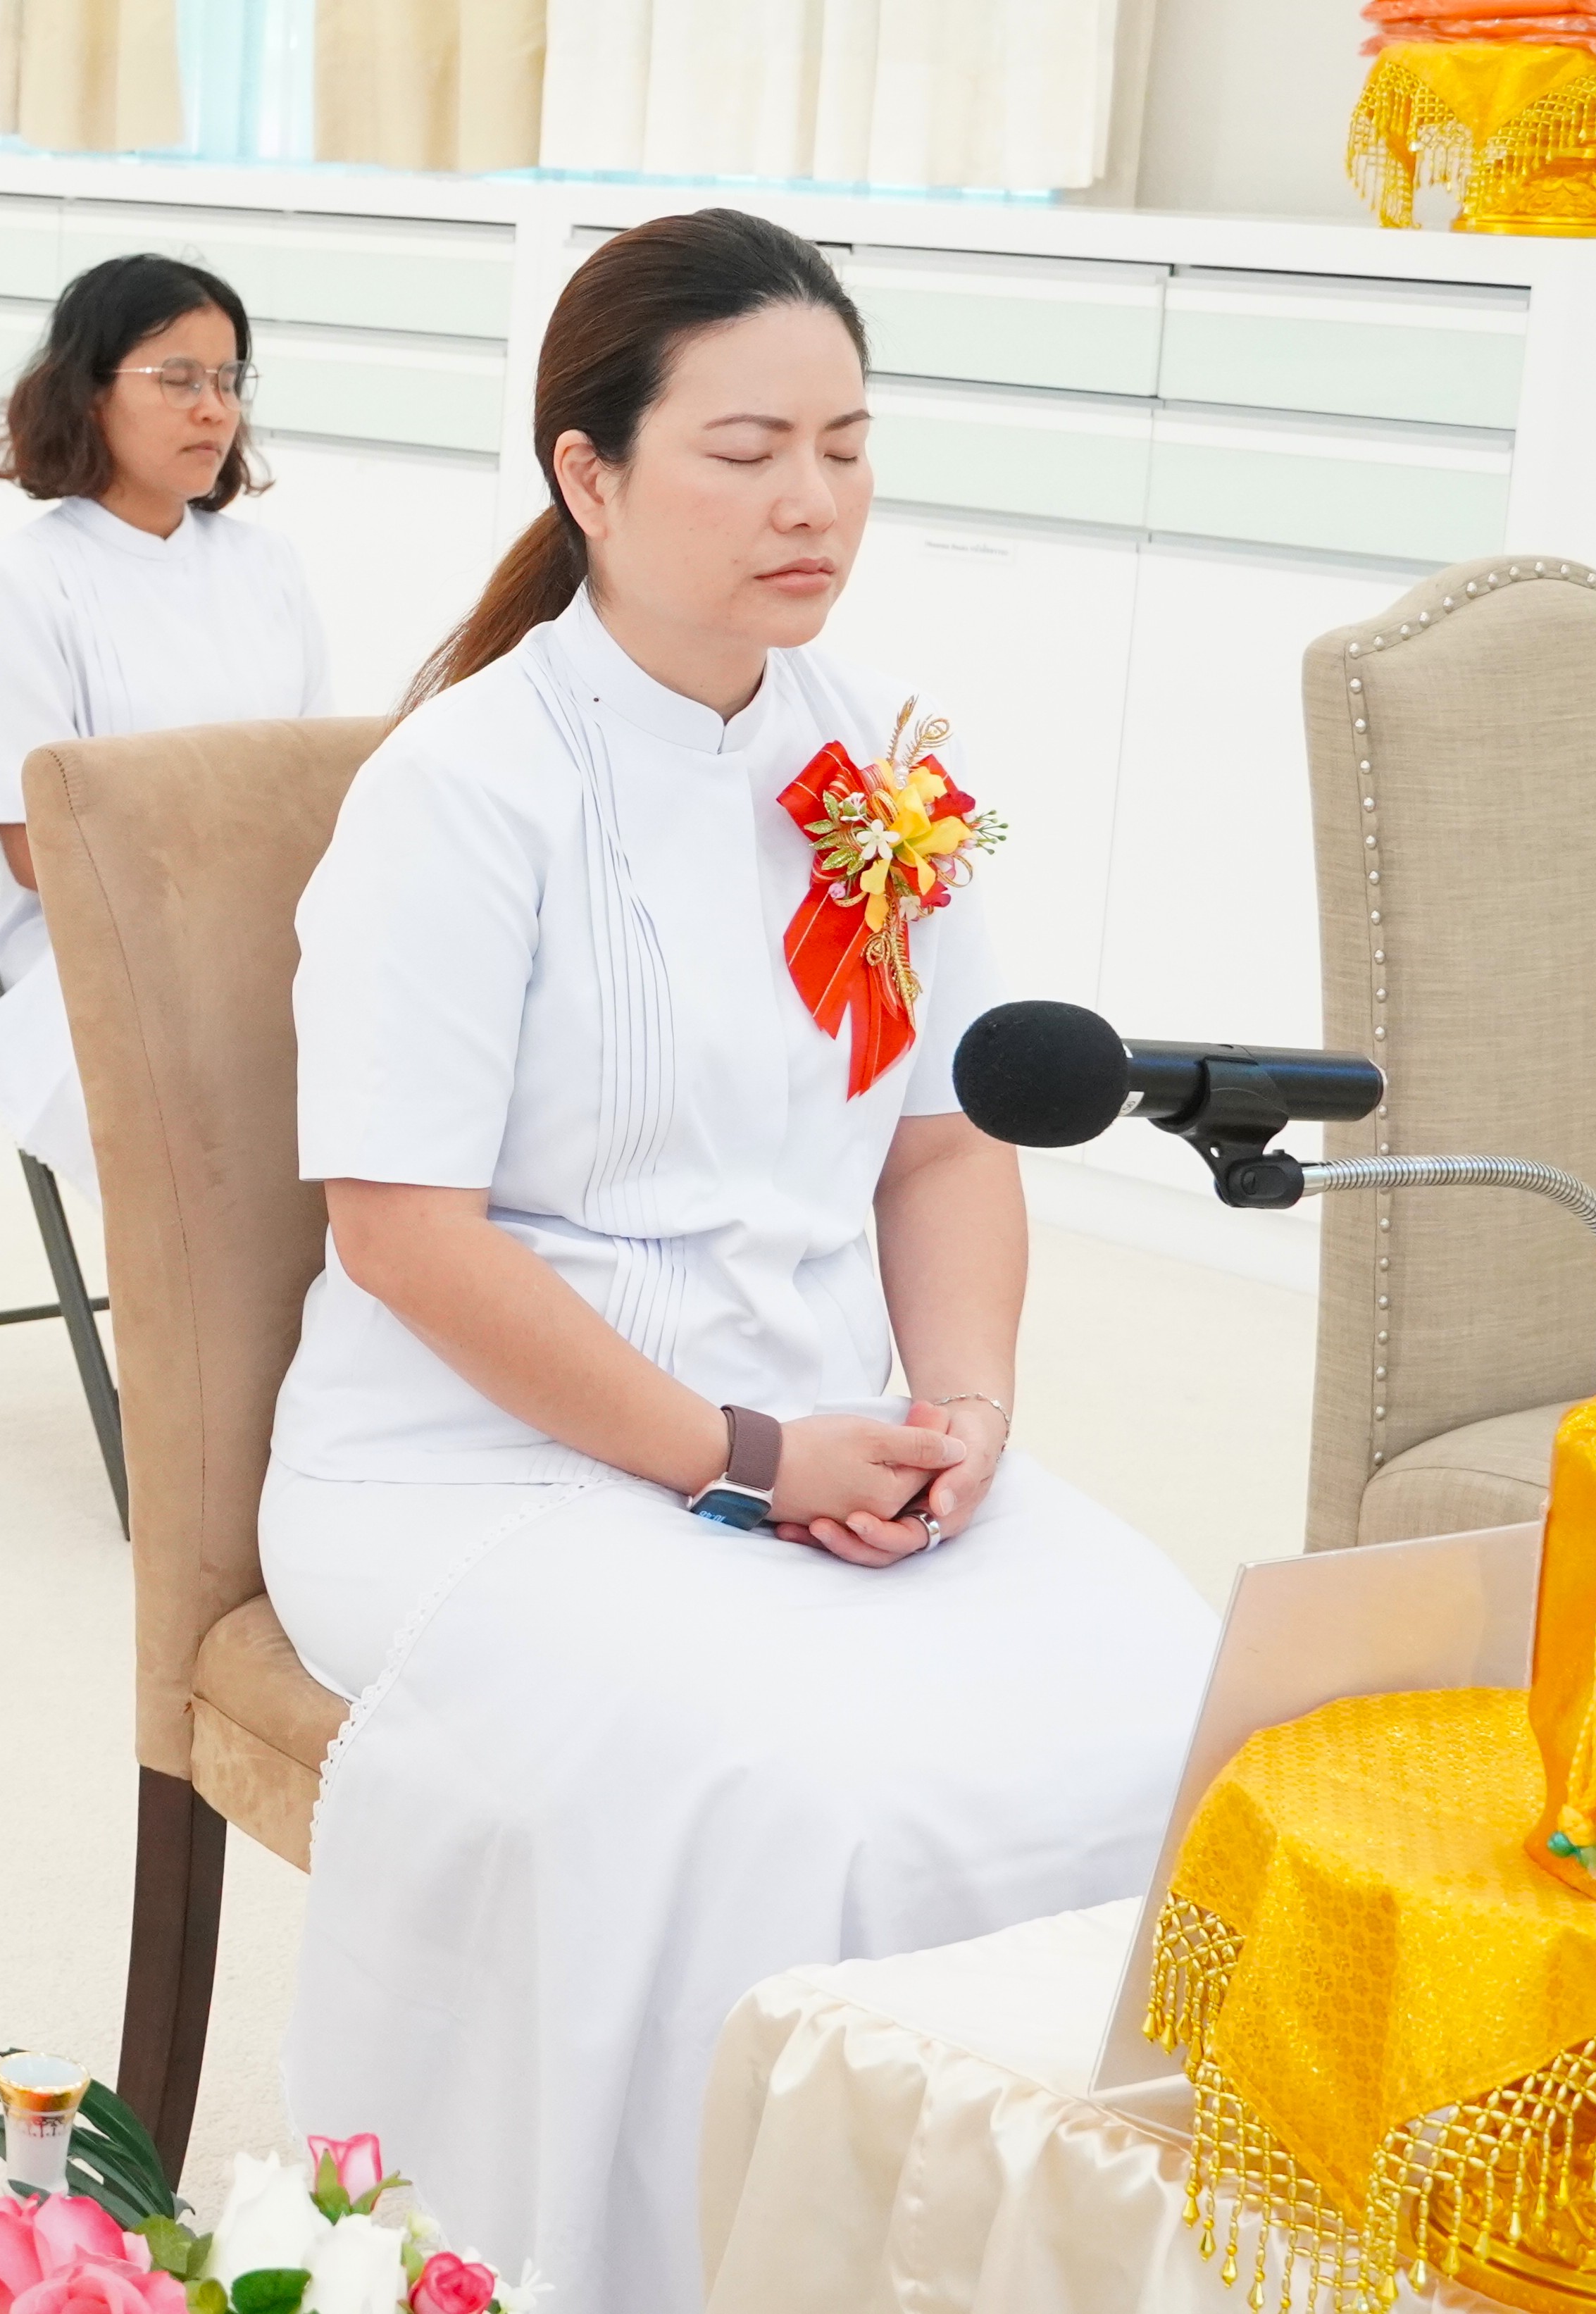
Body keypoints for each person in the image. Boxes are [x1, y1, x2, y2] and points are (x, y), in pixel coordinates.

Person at [260, 210, 1216, 2314]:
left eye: (850, 446)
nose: (814, 501)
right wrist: (741, 1452)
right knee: (812, 1793)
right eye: (748, 447)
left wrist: (963, 1411)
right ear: (586, 473)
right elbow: (402, 1236)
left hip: (834, 1417)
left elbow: (953, 1129)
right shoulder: (466, 789)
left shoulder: (869, 751)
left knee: (1181, 1704)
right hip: (475, 1456)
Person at [0, 253, 332, 1204]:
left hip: (278, 932)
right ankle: (223, 1340)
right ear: (86, 395)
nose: (216, 409)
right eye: (179, 379)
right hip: (105, 952)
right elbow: (41, 855)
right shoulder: (20, 586)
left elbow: (323, 783)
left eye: (230, 380)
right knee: (246, 1089)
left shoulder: (265, 567)